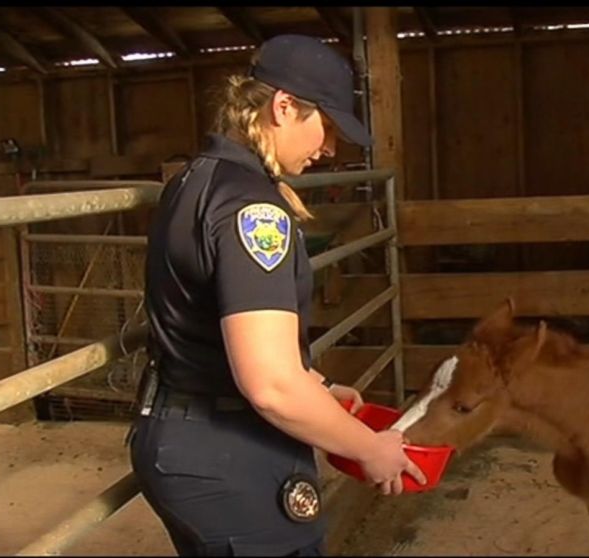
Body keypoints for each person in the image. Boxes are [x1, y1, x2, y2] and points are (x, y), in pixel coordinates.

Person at [128, 34, 426, 557]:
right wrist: (369, 448)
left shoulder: (196, 180)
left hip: (193, 436)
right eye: (327, 127)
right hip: (226, 449)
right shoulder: (252, 210)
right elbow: (269, 384)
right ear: (284, 107)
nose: (330, 148)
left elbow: (217, 325)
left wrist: (318, 386)